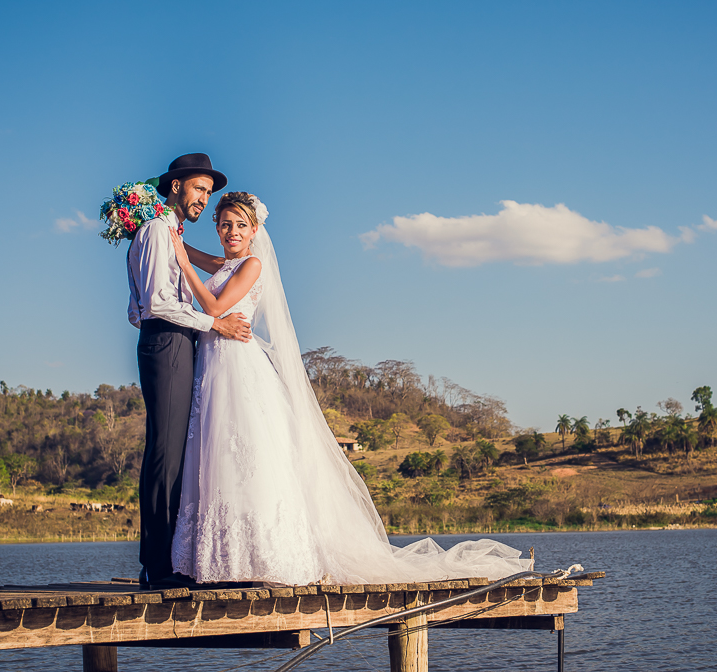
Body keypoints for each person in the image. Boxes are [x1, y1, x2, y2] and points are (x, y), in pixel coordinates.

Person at [167, 191, 532, 584]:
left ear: (255, 230)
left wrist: (185, 263)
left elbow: (215, 309)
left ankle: (266, 557)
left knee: (244, 453)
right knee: (220, 455)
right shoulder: (227, 262)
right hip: (216, 364)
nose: (231, 231)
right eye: (224, 224)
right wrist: (169, 234)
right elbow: (206, 260)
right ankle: (227, 559)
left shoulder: (252, 264)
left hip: (237, 365)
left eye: (240, 225)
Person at [127, 153, 252, 589]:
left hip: (177, 340)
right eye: (199, 188)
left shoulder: (172, 233)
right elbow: (155, 304)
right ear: (176, 186)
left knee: (179, 453)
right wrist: (214, 323)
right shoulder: (158, 230)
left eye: (208, 192)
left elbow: (138, 305)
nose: (204, 198)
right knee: (165, 452)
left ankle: (173, 560)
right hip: (166, 341)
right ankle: (157, 567)